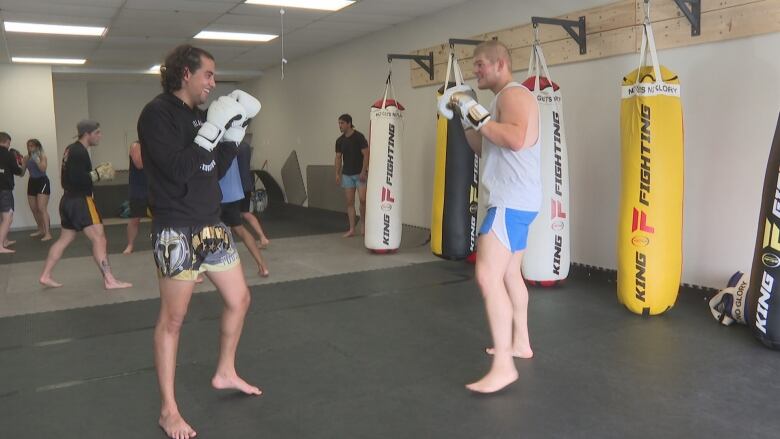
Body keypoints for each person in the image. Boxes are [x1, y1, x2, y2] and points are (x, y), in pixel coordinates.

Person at [137, 44, 262, 439]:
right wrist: (212, 130)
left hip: (210, 225)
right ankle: (168, 411)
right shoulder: (157, 114)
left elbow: (209, 169)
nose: (213, 82)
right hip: (176, 228)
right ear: (185, 74)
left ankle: (225, 371)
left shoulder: (198, 117)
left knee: (239, 298)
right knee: (173, 320)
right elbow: (177, 171)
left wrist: (232, 135)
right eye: (208, 74)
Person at [438, 40, 541, 393]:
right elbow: (484, 146)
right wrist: (466, 119)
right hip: (519, 199)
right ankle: (520, 343)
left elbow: (514, 139)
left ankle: (503, 367)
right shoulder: (501, 101)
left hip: (510, 201)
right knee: (511, 274)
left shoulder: (513, 94)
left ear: (500, 63)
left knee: (487, 275)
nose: (476, 70)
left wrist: (474, 110)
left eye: (481, 64)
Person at [39, 121, 132, 289]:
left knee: (65, 238)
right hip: (81, 201)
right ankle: (110, 280)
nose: (100, 136)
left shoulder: (70, 150)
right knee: (99, 239)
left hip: (68, 200)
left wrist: (93, 174)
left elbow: (68, 178)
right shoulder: (79, 152)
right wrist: (97, 174)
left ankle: (45, 275)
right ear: (87, 133)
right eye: (97, 132)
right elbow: (77, 179)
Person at [220, 149, 270, 277]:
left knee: (200, 229)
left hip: (219, 195)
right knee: (240, 228)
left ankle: (198, 273)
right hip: (235, 193)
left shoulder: (216, 147)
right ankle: (262, 266)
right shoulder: (237, 146)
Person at [334, 113, 369, 237]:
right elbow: (338, 158)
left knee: (363, 200)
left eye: (342, 123)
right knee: (349, 202)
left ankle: (363, 225)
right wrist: (337, 173)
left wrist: (363, 171)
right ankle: (352, 229)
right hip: (347, 175)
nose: (340, 126)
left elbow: (366, 154)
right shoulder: (340, 141)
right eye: (339, 123)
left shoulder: (359, 137)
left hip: (360, 174)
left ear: (349, 123)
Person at [237, 133, 270, 248]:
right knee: (245, 213)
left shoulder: (233, 147)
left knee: (228, 216)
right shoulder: (246, 147)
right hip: (246, 184)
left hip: (236, 186)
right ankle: (262, 237)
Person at [123, 140, 149, 254]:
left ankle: (163, 242)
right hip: (139, 188)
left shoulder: (156, 143)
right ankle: (130, 244)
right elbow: (139, 164)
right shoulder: (136, 145)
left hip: (155, 187)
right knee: (135, 218)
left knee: (161, 218)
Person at [0, 132, 25, 253]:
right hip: (4, 189)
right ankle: (0, 245)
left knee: (3, 216)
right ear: (7, 142)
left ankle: (4, 240)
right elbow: (18, 171)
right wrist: (23, 163)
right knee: (8, 217)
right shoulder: (8, 154)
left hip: (3, 189)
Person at [25, 139, 52, 241]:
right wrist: (18, 162)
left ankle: (48, 233)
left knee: (41, 208)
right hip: (32, 182)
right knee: (34, 209)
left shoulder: (42, 156)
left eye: (32, 146)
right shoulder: (26, 158)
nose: (30, 148)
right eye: (28, 146)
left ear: (37, 146)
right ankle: (41, 230)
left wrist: (36, 159)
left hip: (42, 182)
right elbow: (21, 172)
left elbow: (43, 169)